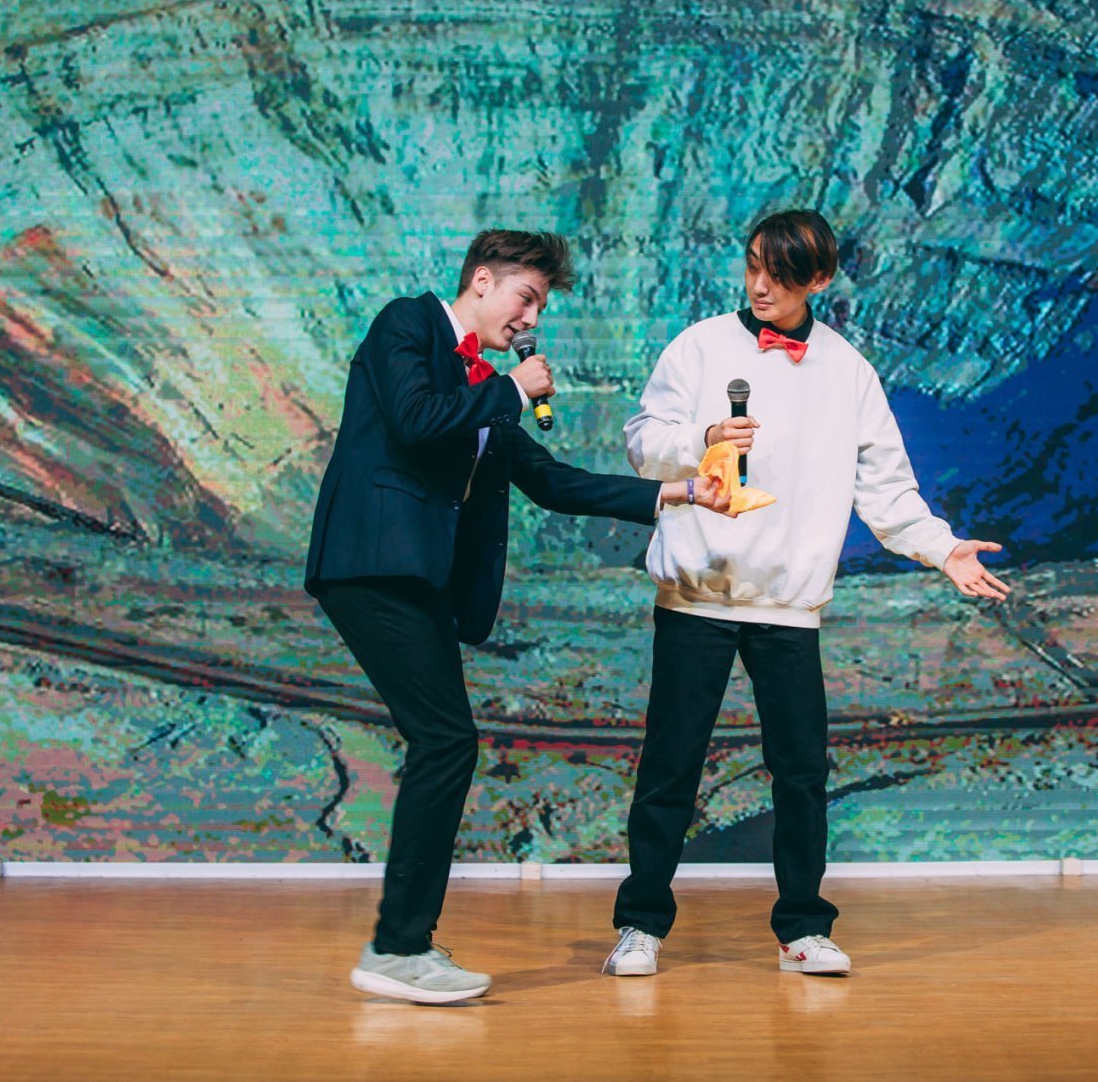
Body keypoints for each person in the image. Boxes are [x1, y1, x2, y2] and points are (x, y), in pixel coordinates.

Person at [305, 230, 731, 1004]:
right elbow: (413, 417)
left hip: (417, 578)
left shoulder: (484, 391)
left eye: (540, 306)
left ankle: (406, 941)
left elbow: (555, 482)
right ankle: (398, 947)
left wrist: (681, 492)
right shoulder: (408, 323)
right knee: (447, 740)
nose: (531, 318)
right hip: (371, 562)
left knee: (445, 742)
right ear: (480, 280)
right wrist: (509, 387)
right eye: (525, 298)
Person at [606, 209, 1009, 978]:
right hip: (696, 596)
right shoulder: (698, 345)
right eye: (753, 265)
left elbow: (887, 489)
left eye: (781, 273)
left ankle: (802, 928)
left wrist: (942, 547)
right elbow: (642, 441)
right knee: (670, 765)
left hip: (788, 607)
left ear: (818, 279)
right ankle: (640, 924)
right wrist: (701, 440)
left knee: (800, 770)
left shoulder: (847, 371)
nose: (761, 285)